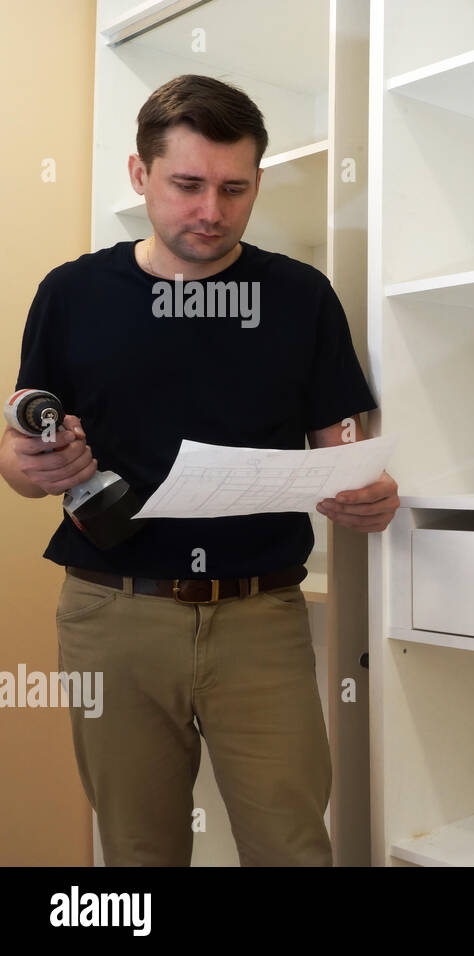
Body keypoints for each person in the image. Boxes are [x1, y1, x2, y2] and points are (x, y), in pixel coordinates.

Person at [0, 74, 398, 866]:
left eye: (233, 188)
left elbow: (341, 443)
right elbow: (20, 454)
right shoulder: (71, 293)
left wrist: (369, 492)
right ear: (139, 175)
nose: (211, 211)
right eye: (186, 184)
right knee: (139, 851)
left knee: (291, 847)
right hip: (111, 614)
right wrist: (27, 463)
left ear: (256, 184)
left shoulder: (301, 297)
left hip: (261, 619)